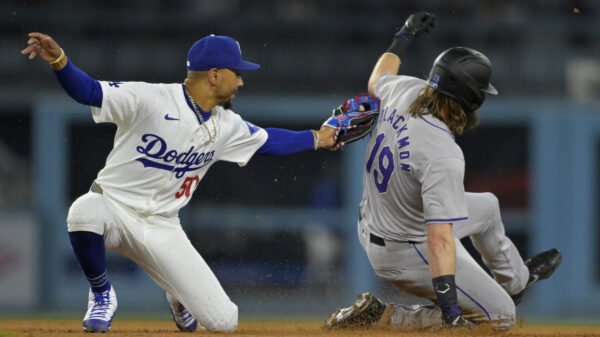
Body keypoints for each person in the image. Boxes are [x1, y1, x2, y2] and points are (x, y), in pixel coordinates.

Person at [22, 32, 339, 333]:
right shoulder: (151, 98)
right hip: (113, 210)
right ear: (214, 75)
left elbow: (271, 141)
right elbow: (89, 91)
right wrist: (60, 61)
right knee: (83, 211)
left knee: (224, 321)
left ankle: (178, 296)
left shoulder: (226, 125)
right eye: (236, 72)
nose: (241, 80)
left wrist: (318, 138)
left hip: (163, 227)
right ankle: (102, 294)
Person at [324, 12, 562, 330]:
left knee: (488, 206)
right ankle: (383, 316)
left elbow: (377, 77)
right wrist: (450, 312)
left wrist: (404, 35)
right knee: (502, 317)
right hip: (404, 250)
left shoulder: (404, 89)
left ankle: (516, 281)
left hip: (377, 221)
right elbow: (439, 241)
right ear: (472, 99)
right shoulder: (441, 153)